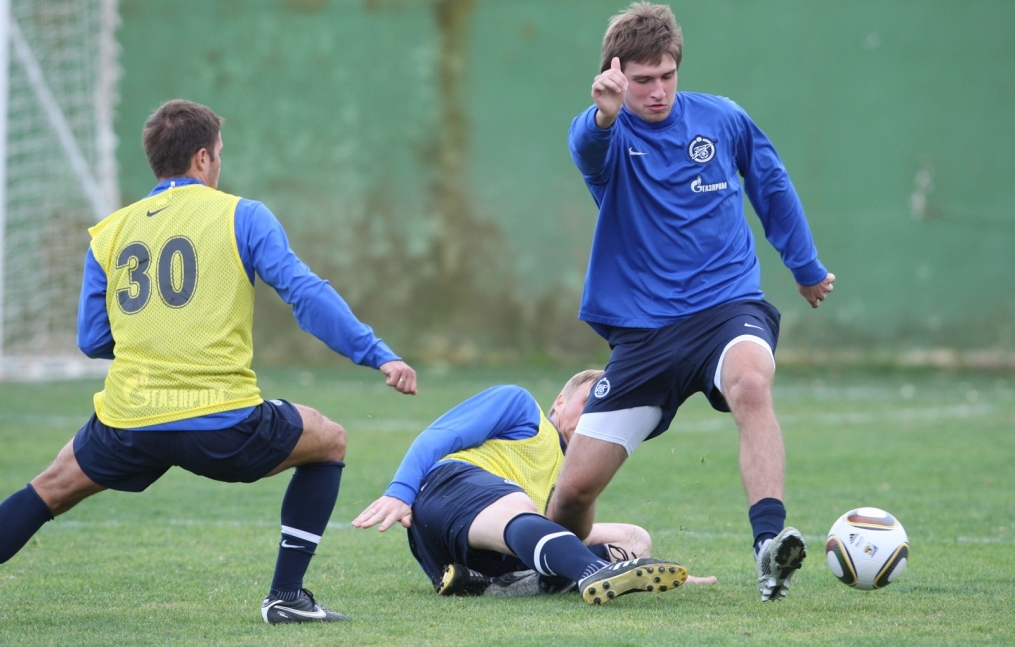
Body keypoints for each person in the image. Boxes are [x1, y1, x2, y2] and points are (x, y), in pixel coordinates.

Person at [0, 99, 418, 624]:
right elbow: (305, 294)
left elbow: (92, 340)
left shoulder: (109, 234)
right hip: (223, 423)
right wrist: (376, 353)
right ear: (202, 158)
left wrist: (156, 336)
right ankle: (286, 597)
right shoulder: (242, 214)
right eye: (218, 155)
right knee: (328, 439)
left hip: (130, 420)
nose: (220, 165)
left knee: (49, 487)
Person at [546, 3, 836, 602]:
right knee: (573, 493)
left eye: (667, 76)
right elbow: (587, 148)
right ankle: (560, 569)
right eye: (642, 80)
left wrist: (805, 268)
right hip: (645, 333)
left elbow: (772, 184)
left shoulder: (722, 120)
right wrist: (602, 117)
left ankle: (768, 546)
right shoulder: (606, 131)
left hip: (726, 307)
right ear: (616, 76)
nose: (657, 92)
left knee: (751, 384)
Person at [353, 370, 715, 605]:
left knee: (634, 538)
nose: (594, 417)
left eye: (605, 412)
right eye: (589, 403)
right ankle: (590, 571)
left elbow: (564, 528)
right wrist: (399, 490)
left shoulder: (577, 474)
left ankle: (494, 585)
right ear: (560, 401)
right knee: (520, 504)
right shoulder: (522, 408)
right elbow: (439, 435)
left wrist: (657, 571)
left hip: (481, 553)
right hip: (447, 493)